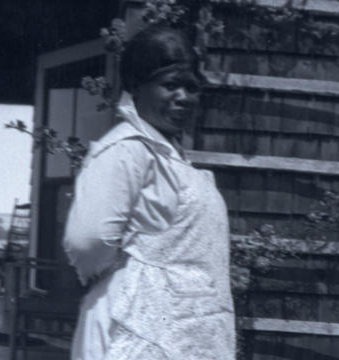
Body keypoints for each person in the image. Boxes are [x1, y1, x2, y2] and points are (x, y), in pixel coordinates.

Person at [63, 24, 235, 360]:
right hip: (136, 328)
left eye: (191, 87)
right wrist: (130, 273)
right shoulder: (126, 150)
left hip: (182, 331)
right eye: (170, 85)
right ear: (136, 88)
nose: (183, 97)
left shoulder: (169, 155)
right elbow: (88, 241)